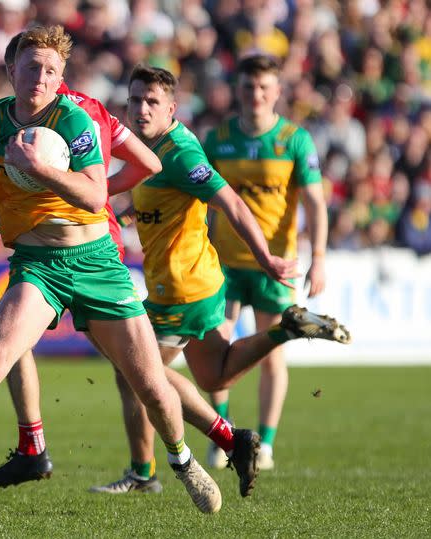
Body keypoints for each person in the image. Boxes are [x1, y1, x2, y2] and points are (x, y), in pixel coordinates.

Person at [0, 25, 224, 515]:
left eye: (51, 71)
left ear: (60, 76)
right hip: (39, 266)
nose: (41, 78)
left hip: (97, 264)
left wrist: (42, 169)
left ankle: (184, 460)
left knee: (149, 382)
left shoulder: (74, 119)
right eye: (31, 68)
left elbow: (94, 194)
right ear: (11, 71)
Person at [0, 32, 259, 497]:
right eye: (26, 70)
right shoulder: (81, 108)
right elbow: (129, 167)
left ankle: (152, 462)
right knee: (34, 347)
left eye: (40, 70)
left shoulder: (70, 113)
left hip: (86, 252)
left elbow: (87, 182)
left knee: (143, 374)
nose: (32, 81)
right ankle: (40, 447)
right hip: (59, 243)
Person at [87, 64, 349, 493]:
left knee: (136, 372)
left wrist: (266, 258)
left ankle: (148, 471)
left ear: (171, 108)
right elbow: (156, 196)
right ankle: (285, 332)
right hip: (201, 281)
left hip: (182, 290)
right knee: (214, 378)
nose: (141, 109)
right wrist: (123, 215)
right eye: (135, 100)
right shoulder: (147, 148)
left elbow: (232, 203)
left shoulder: (182, 152)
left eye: (152, 101)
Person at [203, 54, 330, 471]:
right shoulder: (217, 139)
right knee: (217, 352)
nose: (255, 95)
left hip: (276, 266)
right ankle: (224, 436)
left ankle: (267, 443)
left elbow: (315, 201)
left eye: (263, 88)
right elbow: (196, 200)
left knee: (272, 353)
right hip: (222, 265)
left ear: (277, 92)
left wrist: (319, 259)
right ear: (236, 91)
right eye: (247, 87)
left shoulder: (295, 140)